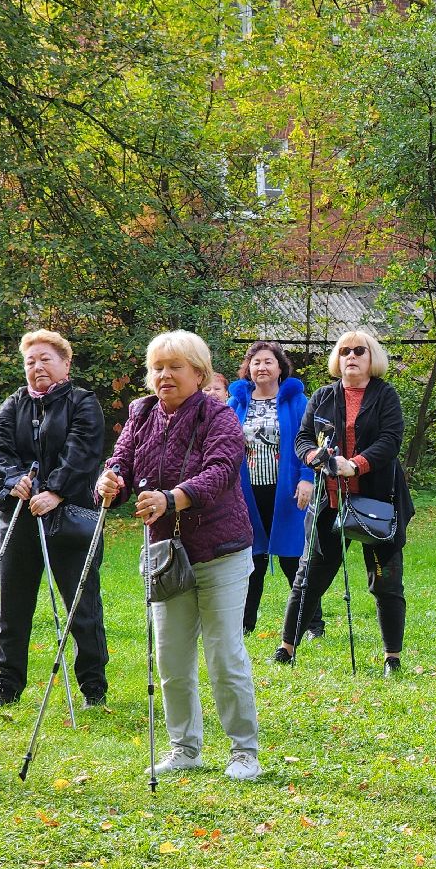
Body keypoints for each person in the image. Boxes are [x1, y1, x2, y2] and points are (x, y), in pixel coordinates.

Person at [97, 330, 261, 780]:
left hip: (219, 551)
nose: (164, 375)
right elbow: (122, 459)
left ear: (199, 373)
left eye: (175, 367)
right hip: (165, 555)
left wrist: (174, 498)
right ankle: (184, 748)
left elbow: (223, 470)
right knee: (171, 660)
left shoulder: (219, 415)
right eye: (157, 368)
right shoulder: (141, 412)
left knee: (225, 655)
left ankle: (244, 750)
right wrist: (109, 479)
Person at [275, 330, 414, 673]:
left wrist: (355, 464)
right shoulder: (323, 396)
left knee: (386, 580)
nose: (351, 356)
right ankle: (286, 648)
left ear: (372, 358)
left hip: (379, 500)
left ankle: (392, 658)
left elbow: (391, 441)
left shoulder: (386, 396)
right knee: (309, 577)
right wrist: (313, 457)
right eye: (344, 351)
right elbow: (303, 438)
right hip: (330, 502)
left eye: (359, 351)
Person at [0, 331, 106, 706]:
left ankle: (93, 687)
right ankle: (7, 686)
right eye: (30, 361)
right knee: (13, 606)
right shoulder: (13, 404)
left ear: (65, 363)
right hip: (20, 518)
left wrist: (55, 490)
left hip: (69, 516)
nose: (37, 367)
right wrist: (13, 480)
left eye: (45, 359)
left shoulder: (83, 402)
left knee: (81, 605)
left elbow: (83, 450)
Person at [227, 341, 321, 637]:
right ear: (248, 369)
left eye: (268, 361)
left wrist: (308, 477)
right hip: (247, 493)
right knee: (250, 558)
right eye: (256, 362)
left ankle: (312, 624)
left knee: (293, 557)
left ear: (280, 368)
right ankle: (244, 624)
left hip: (290, 492)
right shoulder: (236, 404)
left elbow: (310, 442)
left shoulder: (297, 401)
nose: (262, 367)